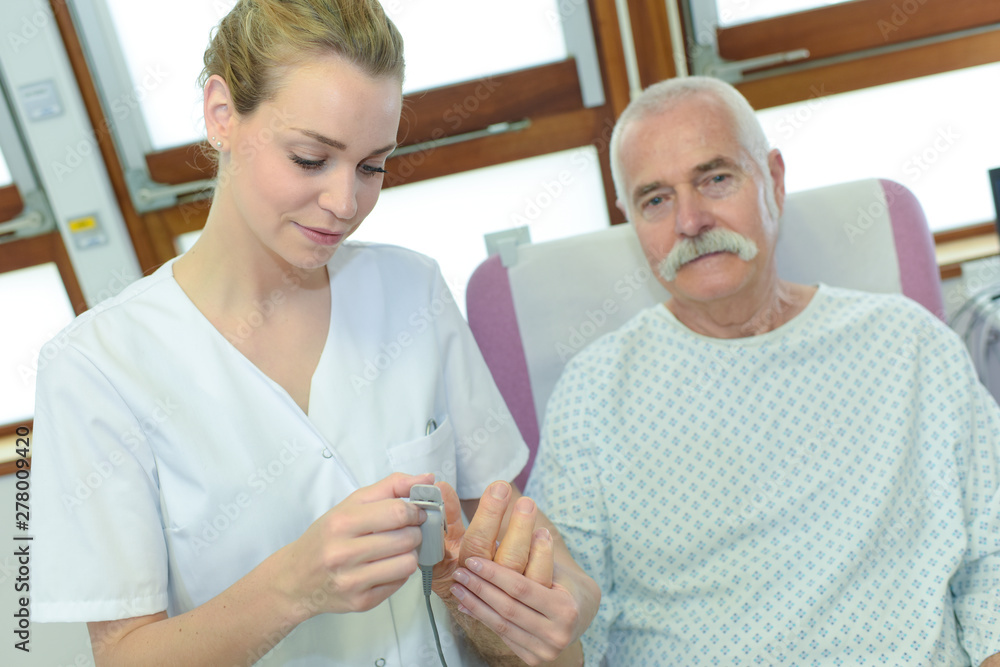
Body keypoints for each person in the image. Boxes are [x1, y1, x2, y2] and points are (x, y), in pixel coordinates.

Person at [30, 1, 598, 665]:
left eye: (371, 166)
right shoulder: (97, 368)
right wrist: (292, 586)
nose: (344, 202)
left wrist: (571, 598)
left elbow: (510, 524)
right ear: (221, 114)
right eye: (309, 158)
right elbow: (125, 654)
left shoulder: (412, 292)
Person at [524, 75, 1000, 666]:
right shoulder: (595, 393)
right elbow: (565, 618)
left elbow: (995, 557)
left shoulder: (909, 347)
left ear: (773, 178)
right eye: (656, 199)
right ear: (632, 219)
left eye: (715, 178)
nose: (690, 220)